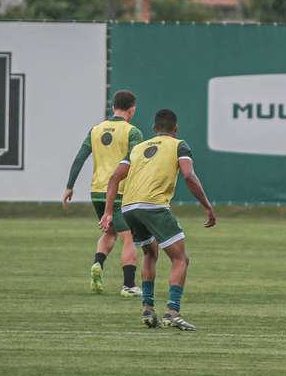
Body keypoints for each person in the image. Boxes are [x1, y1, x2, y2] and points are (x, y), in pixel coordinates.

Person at [99, 108, 216, 331]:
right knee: (180, 258)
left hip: (129, 207)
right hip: (153, 205)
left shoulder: (138, 148)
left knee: (150, 253)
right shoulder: (179, 145)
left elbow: (114, 178)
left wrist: (108, 212)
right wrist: (207, 206)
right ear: (176, 129)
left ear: (154, 129)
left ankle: (148, 308)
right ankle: (172, 312)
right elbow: (189, 175)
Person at [63, 90, 143, 297]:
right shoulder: (132, 132)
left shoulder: (95, 130)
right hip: (119, 193)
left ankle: (98, 263)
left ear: (113, 106)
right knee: (128, 237)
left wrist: (69, 186)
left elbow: (80, 157)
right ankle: (128, 286)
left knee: (109, 232)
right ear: (132, 110)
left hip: (97, 191)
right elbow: (134, 163)